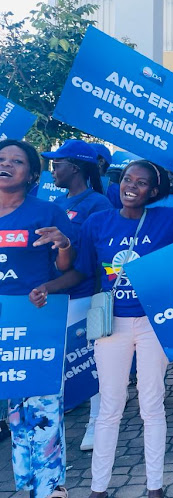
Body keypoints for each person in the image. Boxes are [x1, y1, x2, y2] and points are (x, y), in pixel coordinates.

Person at [42, 159, 173, 498]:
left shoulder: (170, 219)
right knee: (110, 406)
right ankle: (98, 489)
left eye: (142, 182)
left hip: (152, 324)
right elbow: (83, 272)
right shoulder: (98, 223)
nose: (132, 186)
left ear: (154, 191)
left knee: (152, 403)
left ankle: (154, 486)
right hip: (111, 325)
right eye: (128, 179)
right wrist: (50, 287)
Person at [2, 139, 75, 498]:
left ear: (32, 174)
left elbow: (69, 268)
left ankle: (49, 488)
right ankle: (26, 483)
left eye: (17, 161)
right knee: (14, 412)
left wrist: (63, 244)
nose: (6, 164)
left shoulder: (46, 213)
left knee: (42, 405)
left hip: (34, 319)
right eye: (1, 159)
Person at [41, 140, 113, 452]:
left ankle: (97, 423)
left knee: (90, 363)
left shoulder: (98, 204)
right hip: (55, 297)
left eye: (58, 163)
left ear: (76, 167)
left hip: (85, 295)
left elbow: (103, 255)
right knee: (59, 365)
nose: (53, 169)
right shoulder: (56, 202)